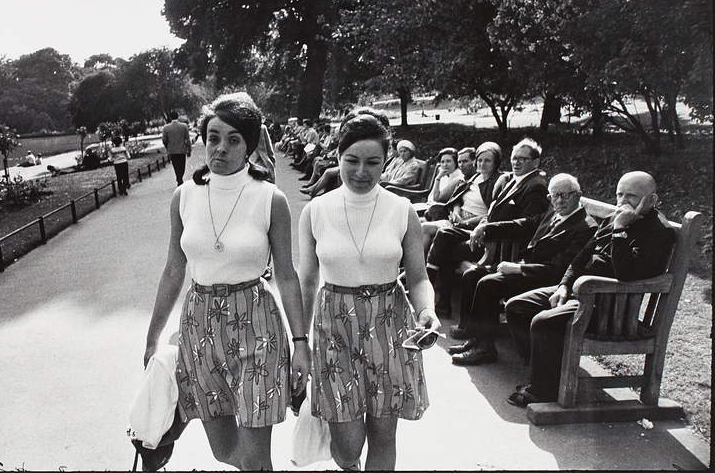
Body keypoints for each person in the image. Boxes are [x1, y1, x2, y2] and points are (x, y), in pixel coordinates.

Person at [144, 92, 310, 470]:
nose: (220, 148)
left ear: (250, 146)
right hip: (199, 326)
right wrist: (152, 338)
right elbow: (173, 269)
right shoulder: (183, 197)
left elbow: (286, 274)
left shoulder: (270, 199)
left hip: (258, 327)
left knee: (255, 456)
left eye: (234, 140)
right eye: (213, 137)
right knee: (224, 452)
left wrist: (301, 343)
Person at [298, 113, 439, 471]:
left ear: (385, 162)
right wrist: (299, 340)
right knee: (346, 445)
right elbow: (306, 280)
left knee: (382, 432)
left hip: (388, 324)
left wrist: (428, 311)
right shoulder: (316, 211)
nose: (362, 171)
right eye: (352, 161)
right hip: (334, 328)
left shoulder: (401, 210)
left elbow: (419, 277)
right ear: (339, 157)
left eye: (373, 162)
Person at [504, 171, 675, 406]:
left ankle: (542, 390)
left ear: (652, 200)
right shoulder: (614, 218)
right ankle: (548, 372)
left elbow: (626, 274)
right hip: (581, 292)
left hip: (610, 309)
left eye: (632, 196)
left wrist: (620, 229)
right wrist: (563, 286)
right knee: (517, 307)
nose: (623, 202)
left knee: (543, 321)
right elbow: (581, 256)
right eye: (620, 194)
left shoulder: (659, 232)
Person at [449, 174, 597, 365]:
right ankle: (476, 336)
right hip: (528, 268)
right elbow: (525, 224)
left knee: (488, 284)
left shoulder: (585, 227)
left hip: (546, 279)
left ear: (578, 195)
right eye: (554, 196)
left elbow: (558, 269)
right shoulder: (553, 212)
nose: (559, 201)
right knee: (472, 275)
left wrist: (518, 269)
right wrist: (487, 228)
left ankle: (485, 348)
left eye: (565, 195)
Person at [426, 138, 550, 319]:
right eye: (514, 158)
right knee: (445, 235)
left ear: (536, 162)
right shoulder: (517, 180)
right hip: (488, 236)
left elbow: (529, 224)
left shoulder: (536, 185)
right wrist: (484, 224)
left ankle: (440, 298)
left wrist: (487, 229)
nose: (516, 162)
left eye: (522, 159)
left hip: (503, 247)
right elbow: (493, 211)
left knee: (447, 247)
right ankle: (441, 301)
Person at [162, 112, 193, 185]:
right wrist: (189, 149)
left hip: (172, 151)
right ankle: (180, 178)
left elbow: (164, 140)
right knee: (182, 165)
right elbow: (187, 139)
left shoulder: (166, 128)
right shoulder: (184, 126)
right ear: (177, 117)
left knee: (175, 165)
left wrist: (167, 147)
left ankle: (179, 178)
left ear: (170, 117)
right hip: (182, 150)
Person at [250, 117, 277, 183]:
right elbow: (269, 150)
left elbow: (263, 151)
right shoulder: (262, 127)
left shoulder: (259, 128)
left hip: (255, 162)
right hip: (256, 161)